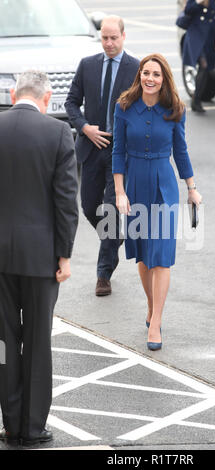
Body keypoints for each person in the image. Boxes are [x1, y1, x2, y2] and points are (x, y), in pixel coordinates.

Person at [0, 71, 78, 446]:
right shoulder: (58, 133)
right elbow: (65, 202)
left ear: (13, 94)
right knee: (36, 340)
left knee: (3, 341)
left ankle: (11, 423)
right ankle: (32, 428)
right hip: (40, 256)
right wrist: (64, 255)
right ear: (47, 98)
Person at [112, 54, 202, 350]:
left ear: (164, 79)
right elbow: (117, 152)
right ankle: (151, 306)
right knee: (142, 254)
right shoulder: (124, 106)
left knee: (161, 255)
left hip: (164, 184)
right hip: (135, 182)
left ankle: (156, 322)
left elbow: (182, 151)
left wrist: (192, 188)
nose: (150, 78)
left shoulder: (175, 109)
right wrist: (120, 192)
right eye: (146, 73)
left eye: (156, 74)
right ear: (140, 75)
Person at [65, 16, 139, 297]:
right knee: (88, 206)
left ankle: (103, 273)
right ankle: (115, 237)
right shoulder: (88, 65)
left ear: (123, 36)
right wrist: (84, 127)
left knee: (109, 209)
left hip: (121, 150)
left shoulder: (136, 69)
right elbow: (72, 102)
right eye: (104, 38)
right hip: (91, 146)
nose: (108, 43)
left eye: (113, 38)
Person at [182, 0, 215, 113]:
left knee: (206, 68)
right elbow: (187, 10)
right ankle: (196, 99)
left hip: (210, 38)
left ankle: (197, 98)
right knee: (203, 64)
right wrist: (198, 2)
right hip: (195, 34)